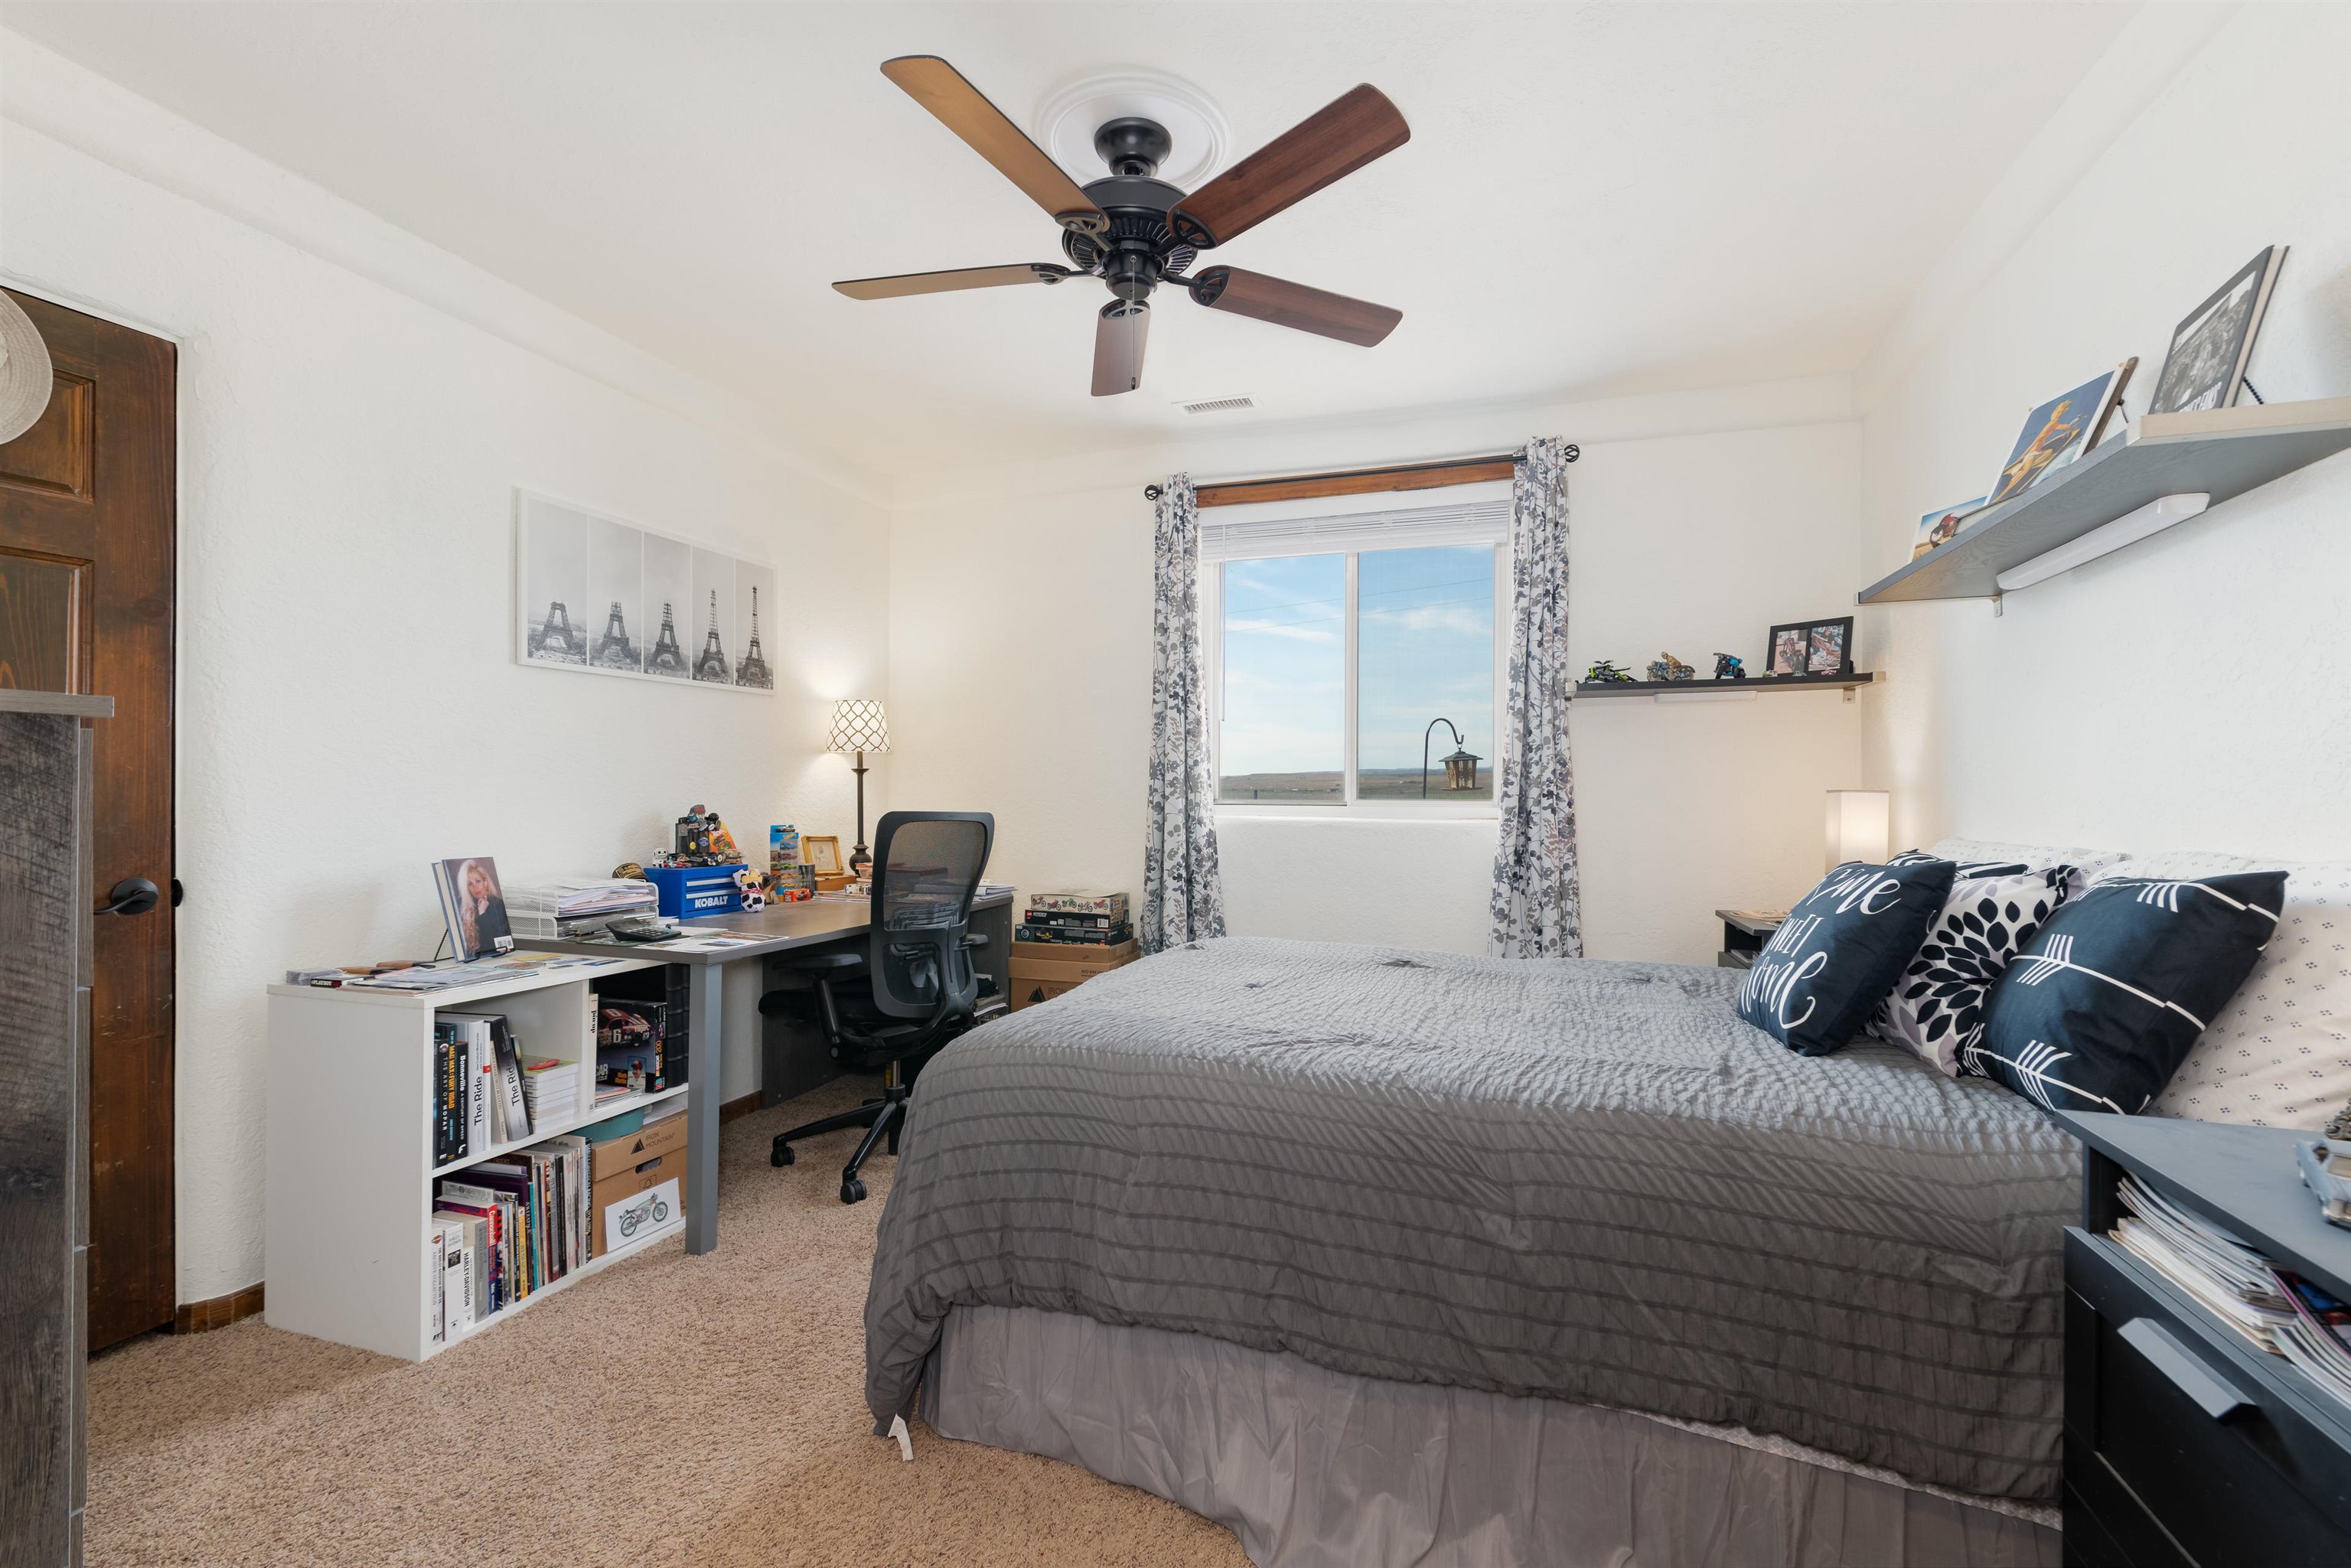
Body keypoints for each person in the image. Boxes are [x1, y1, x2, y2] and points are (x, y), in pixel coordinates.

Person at [456, 858, 511, 957]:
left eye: (478, 881)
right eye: (470, 884)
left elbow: (496, 945)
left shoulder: (498, 905)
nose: (475, 887)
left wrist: (482, 914)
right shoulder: (468, 911)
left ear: (485, 882)